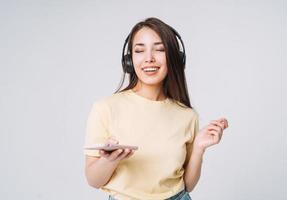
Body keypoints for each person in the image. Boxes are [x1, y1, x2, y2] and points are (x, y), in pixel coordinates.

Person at [84, 17, 229, 200]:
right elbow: (93, 180)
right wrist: (109, 160)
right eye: (139, 50)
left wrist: (199, 148)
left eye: (160, 49)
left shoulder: (187, 115)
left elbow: (188, 185)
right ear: (129, 60)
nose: (149, 58)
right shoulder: (105, 108)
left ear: (175, 58)